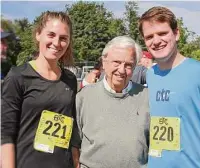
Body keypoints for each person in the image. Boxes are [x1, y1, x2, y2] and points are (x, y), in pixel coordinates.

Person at [139, 6, 200, 168]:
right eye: (149, 36)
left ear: (176, 33)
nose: (156, 41)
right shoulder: (150, 76)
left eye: (162, 33)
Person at [1, 11, 80, 168]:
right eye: (51, 35)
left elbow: (72, 129)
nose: (56, 43)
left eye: (63, 38)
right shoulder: (18, 76)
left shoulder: (70, 79)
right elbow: (6, 133)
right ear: (38, 35)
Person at [72, 36, 150, 168]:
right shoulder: (84, 97)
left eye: (128, 65)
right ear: (104, 62)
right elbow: (74, 143)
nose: (121, 70)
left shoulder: (147, 97)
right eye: (116, 62)